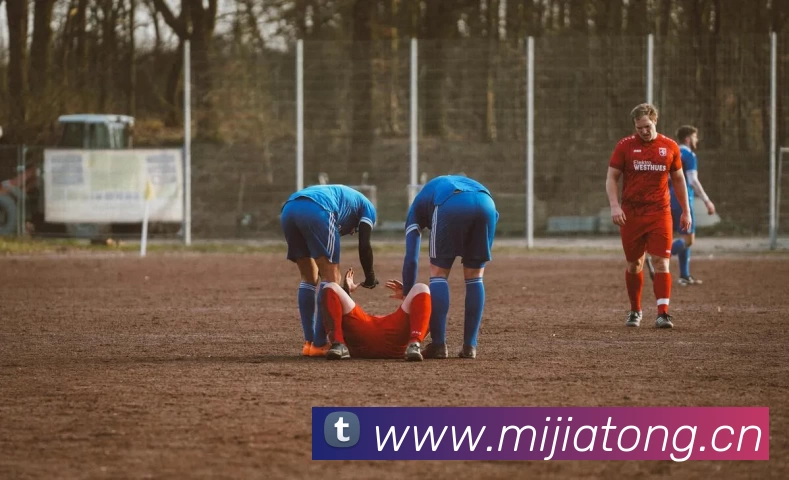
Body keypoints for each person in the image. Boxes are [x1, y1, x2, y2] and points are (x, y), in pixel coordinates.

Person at [605, 103, 692, 329]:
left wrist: (686, 210)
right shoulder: (625, 146)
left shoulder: (670, 147)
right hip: (631, 215)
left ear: (655, 121)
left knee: (661, 262)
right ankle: (635, 310)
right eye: (639, 127)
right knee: (634, 265)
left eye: (647, 126)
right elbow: (612, 177)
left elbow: (679, 180)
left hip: (659, 212)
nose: (643, 131)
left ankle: (663, 313)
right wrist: (615, 206)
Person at [401, 175, 498, 359]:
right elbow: (495, 216)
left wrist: (408, 292)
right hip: (487, 204)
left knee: (438, 274)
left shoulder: (415, 208)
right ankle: (470, 346)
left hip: (450, 203)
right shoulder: (444, 185)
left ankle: (439, 345)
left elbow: (411, 257)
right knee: (475, 276)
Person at [280, 184, 379, 357]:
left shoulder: (346, 200)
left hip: (289, 209)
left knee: (308, 277)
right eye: (354, 230)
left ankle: (308, 343)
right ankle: (320, 343)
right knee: (331, 280)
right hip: (320, 209)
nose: (352, 233)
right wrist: (370, 276)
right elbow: (364, 245)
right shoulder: (368, 208)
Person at [319, 268, 431, 361]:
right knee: (421, 288)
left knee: (330, 287)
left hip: (361, 335)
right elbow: (420, 315)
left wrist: (347, 293)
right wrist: (407, 297)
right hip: (395, 338)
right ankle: (414, 345)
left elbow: (340, 312)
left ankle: (338, 344)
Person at [664, 125, 716, 286]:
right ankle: (659, 256)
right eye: (694, 137)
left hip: (668, 198)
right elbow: (692, 180)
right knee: (688, 240)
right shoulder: (689, 155)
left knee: (683, 236)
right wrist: (707, 200)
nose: (696, 140)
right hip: (683, 199)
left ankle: (684, 275)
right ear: (687, 139)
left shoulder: (671, 152)